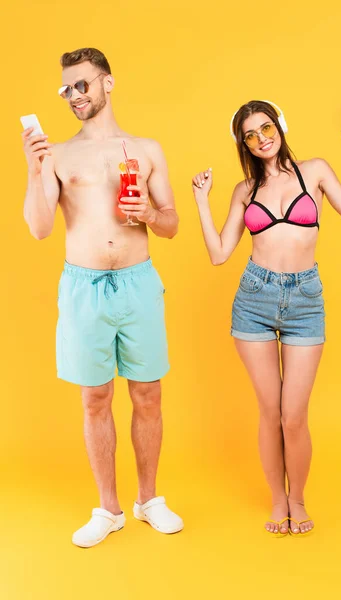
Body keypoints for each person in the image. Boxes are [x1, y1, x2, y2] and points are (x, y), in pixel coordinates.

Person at [22, 47, 183, 548]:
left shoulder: (147, 149)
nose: (75, 96)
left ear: (108, 83)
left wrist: (149, 217)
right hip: (83, 287)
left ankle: (149, 500)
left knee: (148, 394)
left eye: (83, 85)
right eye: (67, 89)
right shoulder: (59, 155)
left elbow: (172, 223)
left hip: (137, 282)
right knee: (95, 399)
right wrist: (34, 169)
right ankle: (108, 509)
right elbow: (39, 228)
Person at [192, 99, 341, 536]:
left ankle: (298, 498)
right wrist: (201, 200)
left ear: (280, 126)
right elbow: (219, 255)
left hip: (305, 298)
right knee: (270, 410)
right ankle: (277, 501)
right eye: (250, 135)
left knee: (294, 415)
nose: (261, 138)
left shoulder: (315, 171)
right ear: (244, 144)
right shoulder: (243, 191)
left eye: (266, 127)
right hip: (254, 299)